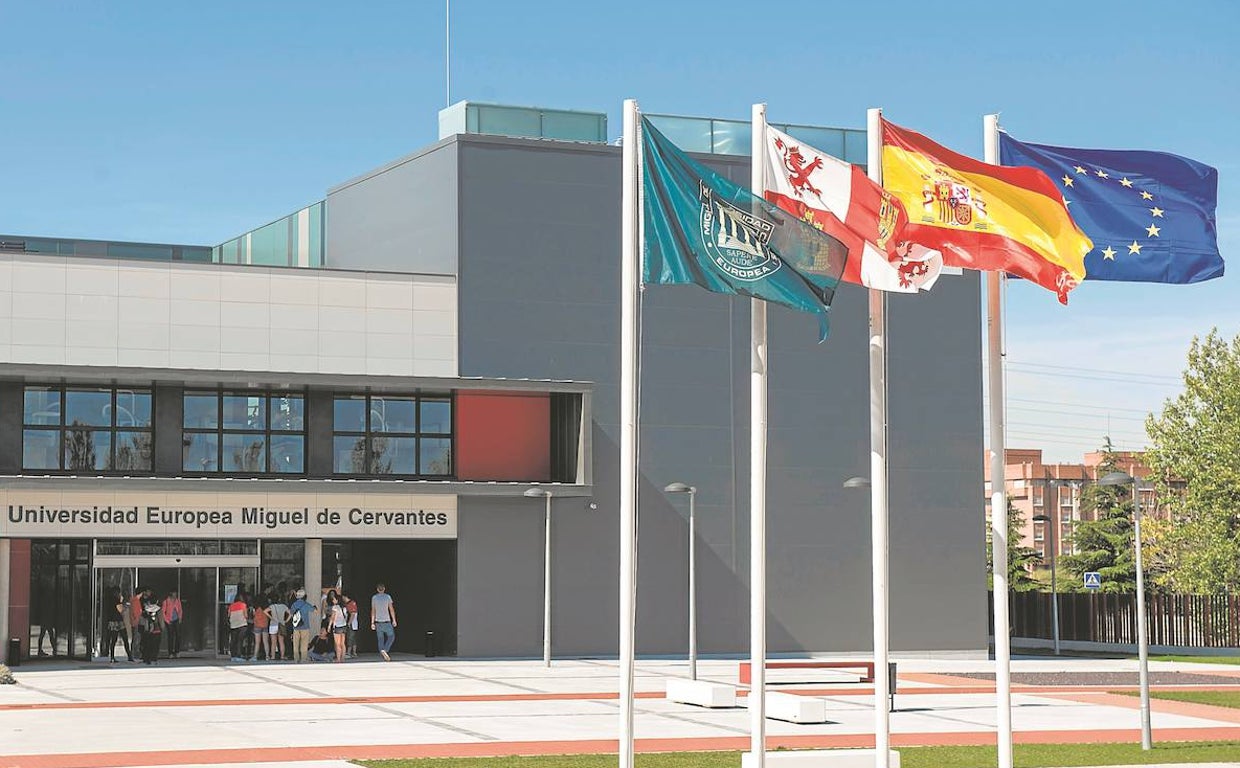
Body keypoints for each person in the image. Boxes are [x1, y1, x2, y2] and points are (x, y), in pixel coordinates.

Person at [102, 590, 133, 663]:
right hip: (118, 622)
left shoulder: (108, 601)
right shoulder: (116, 601)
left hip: (112, 622)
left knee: (113, 640)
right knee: (124, 639)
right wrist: (122, 602)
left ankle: (112, 656)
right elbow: (121, 610)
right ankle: (129, 656)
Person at [289, 588, 317, 663]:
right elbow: (315, 611)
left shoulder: (294, 604)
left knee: (295, 644)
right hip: (305, 626)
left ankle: (296, 659)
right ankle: (303, 659)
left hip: (296, 627)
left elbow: (291, 614)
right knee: (304, 644)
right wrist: (315, 607)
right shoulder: (306, 604)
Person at [371, 582, 397, 661]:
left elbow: (373, 611)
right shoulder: (388, 597)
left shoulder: (374, 598)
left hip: (378, 621)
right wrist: (394, 620)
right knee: (391, 636)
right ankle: (385, 649)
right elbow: (391, 609)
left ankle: (382, 650)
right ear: (384, 589)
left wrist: (372, 622)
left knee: (380, 638)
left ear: (377, 589)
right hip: (387, 620)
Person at [139, 597, 164, 664]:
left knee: (147, 645)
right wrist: (162, 627)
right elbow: (161, 620)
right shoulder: (158, 609)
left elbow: (142, 619)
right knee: (155, 646)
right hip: (157, 630)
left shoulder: (146, 609)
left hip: (148, 630)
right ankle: (154, 658)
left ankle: (147, 658)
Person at [227, 591, 249, 662]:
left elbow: (228, 615)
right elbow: (246, 615)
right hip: (242, 624)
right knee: (240, 640)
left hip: (233, 625)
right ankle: (239, 655)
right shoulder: (243, 605)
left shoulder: (231, 606)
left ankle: (233, 656)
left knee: (233, 640)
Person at [161, 590, 183, 659]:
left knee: (178, 635)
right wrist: (167, 620)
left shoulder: (177, 601)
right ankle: (170, 652)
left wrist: (180, 618)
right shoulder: (166, 601)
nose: (175, 595)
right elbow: (163, 612)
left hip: (176, 619)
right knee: (171, 636)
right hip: (169, 620)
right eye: (174, 593)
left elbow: (180, 610)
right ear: (171, 594)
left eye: (176, 593)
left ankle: (177, 651)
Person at [327, 592, 348, 663]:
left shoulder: (335, 607)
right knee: (343, 643)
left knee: (337, 644)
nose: (333, 600)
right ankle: (343, 658)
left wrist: (329, 626)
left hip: (337, 626)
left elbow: (332, 617)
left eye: (334, 599)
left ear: (337, 600)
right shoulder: (344, 607)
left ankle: (338, 659)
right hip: (344, 626)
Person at [269, 593, 290, 661]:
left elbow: (265, 611)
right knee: (281, 641)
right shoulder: (283, 606)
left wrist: (271, 617)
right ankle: (282, 656)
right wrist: (286, 620)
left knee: (273, 642)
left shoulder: (271, 606)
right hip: (281, 624)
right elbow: (291, 613)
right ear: (279, 599)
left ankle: (273, 656)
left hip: (273, 625)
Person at [251, 595, 272, 661]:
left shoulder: (255, 608)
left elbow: (253, 616)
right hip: (265, 625)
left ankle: (255, 656)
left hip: (257, 625)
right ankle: (267, 656)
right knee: (265, 641)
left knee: (257, 642)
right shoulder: (266, 607)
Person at [343, 593, 359, 659]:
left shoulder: (351, 603)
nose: (342, 598)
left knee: (350, 637)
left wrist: (349, 623)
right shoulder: (346, 604)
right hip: (350, 623)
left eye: (343, 597)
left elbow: (352, 614)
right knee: (353, 638)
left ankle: (349, 652)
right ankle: (354, 652)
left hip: (351, 624)